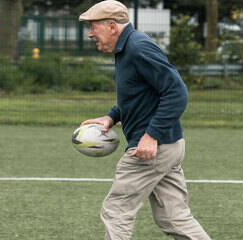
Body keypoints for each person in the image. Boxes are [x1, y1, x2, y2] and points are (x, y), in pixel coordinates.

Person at [78, 1, 211, 239]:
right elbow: (139, 94)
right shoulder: (127, 48)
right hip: (168, 145)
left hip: (151, 148)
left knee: (116, 210)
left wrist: (151, 136)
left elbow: (176, 92)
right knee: (174, 217)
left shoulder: (138, 48)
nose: (89, 33)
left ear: (111, 26)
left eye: (92, 26)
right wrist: (111, 117)